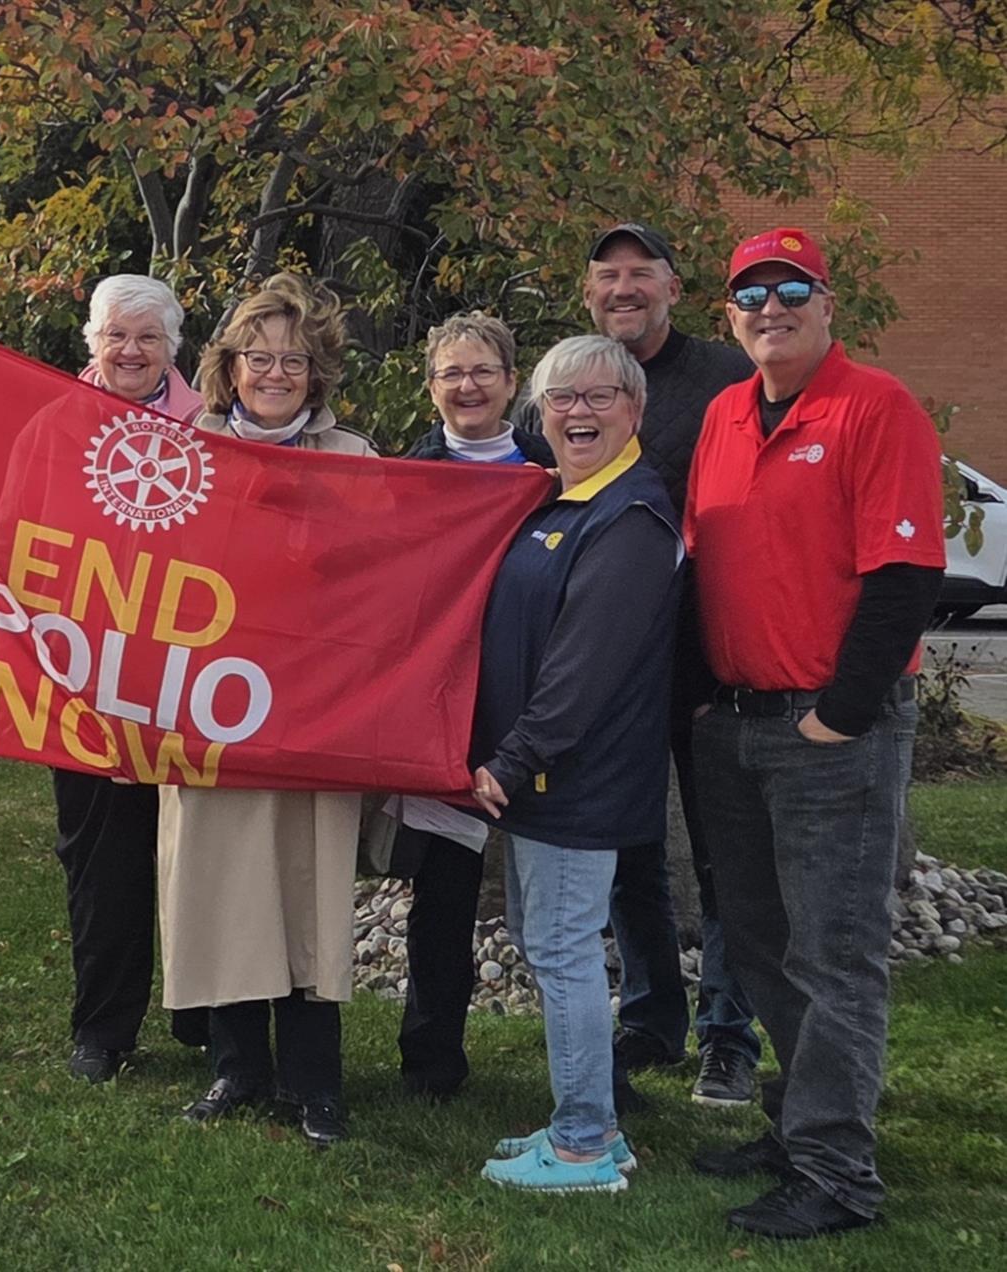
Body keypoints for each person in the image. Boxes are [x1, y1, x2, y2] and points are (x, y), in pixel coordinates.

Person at [686, 228, 944, 1238]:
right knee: (760, 943)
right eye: (751, 293)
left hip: (831, 731)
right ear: (731, 315)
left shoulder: (876, 409)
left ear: (826, 303)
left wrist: (840, 713)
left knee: (836, 954)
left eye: (791, 288)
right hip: (737, 726)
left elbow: (904, 580)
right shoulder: (722, 416)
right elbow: (708, 566)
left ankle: (839, 1176)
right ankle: (800, 1124)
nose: (770, 307)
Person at [160, 273, 369, 1147]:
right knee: (220, 884)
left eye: (293, 359)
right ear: (230, 366)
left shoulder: (353, 459)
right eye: (259, 356)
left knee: (306, 887)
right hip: (209, 710)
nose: (275, 372)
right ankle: (236, 1067)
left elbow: (377, 586)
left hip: (313, 715)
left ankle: (315, 1082)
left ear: (315, 373)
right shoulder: (184, 449)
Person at [473, 334, 683, 1194]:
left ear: (635, 410)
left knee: (561, 948)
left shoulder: (629, 517)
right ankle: (591, 1123)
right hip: (546, 779)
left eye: (600, 396)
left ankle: (586, 1144)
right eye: (561, 397)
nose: (578, 411)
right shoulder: (561, 501)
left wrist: (513, 762)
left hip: (575, 778)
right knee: (544, 938)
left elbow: (584, 668)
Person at [564, 224, 763, 1108]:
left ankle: (730, 1034)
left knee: (725, 855)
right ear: (589, 293)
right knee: (628, 850)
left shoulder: (727, 378)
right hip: (618, 670)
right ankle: (651, 1015)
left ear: (673, 289)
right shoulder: (578, 384)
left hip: (712, 661)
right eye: (609, 276)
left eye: (641, 274)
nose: (624, 288)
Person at [393, 312, 554, 1100]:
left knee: (576, 884)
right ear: (432, 390)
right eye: (451, 373)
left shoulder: (555, 475)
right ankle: (432, 1058)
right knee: (446, 891)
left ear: (511, 383)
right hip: (448, 707)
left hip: (538, 702)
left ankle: (617, 1053)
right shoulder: (407, 478)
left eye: (482, 371)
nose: (467, 386)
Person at [53, 275, 207, 1082]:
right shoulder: (55, 424)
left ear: (172, 348)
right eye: (117, 335)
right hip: (89, 680)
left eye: (148, 337)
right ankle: (103, 1028)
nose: (132, 351)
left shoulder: (214, 430)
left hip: (192, 674)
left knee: (200, 851)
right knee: (102, 856)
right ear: (93, 342)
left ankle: (203, 1013)